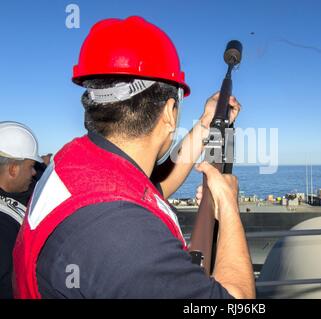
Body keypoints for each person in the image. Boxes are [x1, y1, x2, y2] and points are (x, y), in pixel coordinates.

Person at [13, 16, 255, 299]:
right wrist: (227, 205)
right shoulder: (126, 237)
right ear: (168, 112)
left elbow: (152, 189)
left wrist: (204, 123)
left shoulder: (75, 162)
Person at [0, 121, 48, 299]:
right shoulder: (3, 227)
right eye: (30, 167)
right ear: (13, 169)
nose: (34, 173)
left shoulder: (19, 192)